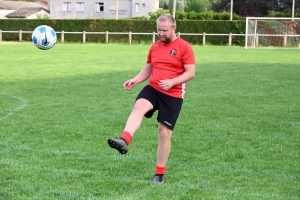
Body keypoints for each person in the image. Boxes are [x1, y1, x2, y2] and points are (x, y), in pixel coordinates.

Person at [107, 14, 196, 184]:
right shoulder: (155, 47)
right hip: (154, 88)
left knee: (163, 133)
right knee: (139, 105)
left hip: (173, 94)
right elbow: (149, 68)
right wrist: (136, 79)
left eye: (164, 30)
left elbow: (191, 73)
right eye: (158, 30)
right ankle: (124, 140)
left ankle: (159, 173)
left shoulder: (185, 47)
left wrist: (172, 82)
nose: (160, 34)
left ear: (173, 28)